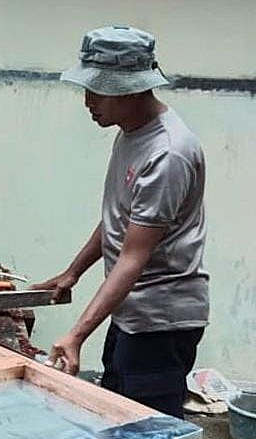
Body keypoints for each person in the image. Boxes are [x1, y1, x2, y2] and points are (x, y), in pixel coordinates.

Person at [32, 26, 208, 419]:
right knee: (114, 414)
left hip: (160, 322)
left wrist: (76, 333)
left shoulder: (167, 153)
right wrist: (72, 273)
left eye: (97, 91)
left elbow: (133, 256)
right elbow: (119, 219)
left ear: (130, 89)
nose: (87, 101)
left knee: (147, 425)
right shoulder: (131, 133)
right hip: (131, 311)